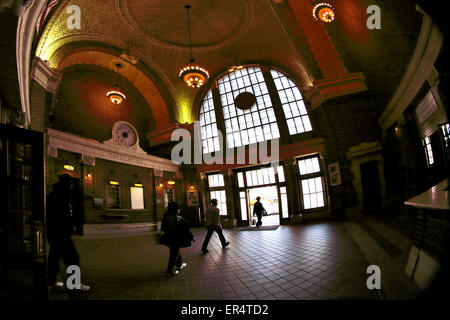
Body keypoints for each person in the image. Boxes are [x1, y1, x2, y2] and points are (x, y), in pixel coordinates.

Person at [46, 174, 90, 291]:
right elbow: (64, 216)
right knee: (73, 258)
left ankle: (52, 282)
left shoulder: (53, 196)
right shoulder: (62, 197)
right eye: (69, 183)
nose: (71, 186)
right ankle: (74, 284)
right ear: (65, 184)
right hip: (62, 233)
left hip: (55, 234)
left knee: (54, 258)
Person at [161, 202, 195, 276]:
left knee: (175, 251)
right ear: (176, 210)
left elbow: (163, 228)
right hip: (177, 239)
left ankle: (179, 265)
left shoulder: (165, 217)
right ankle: (170, 271)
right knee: (173, 254)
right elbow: (186, 229)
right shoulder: (179, 218)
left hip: (168, 238)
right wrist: (192, 237)